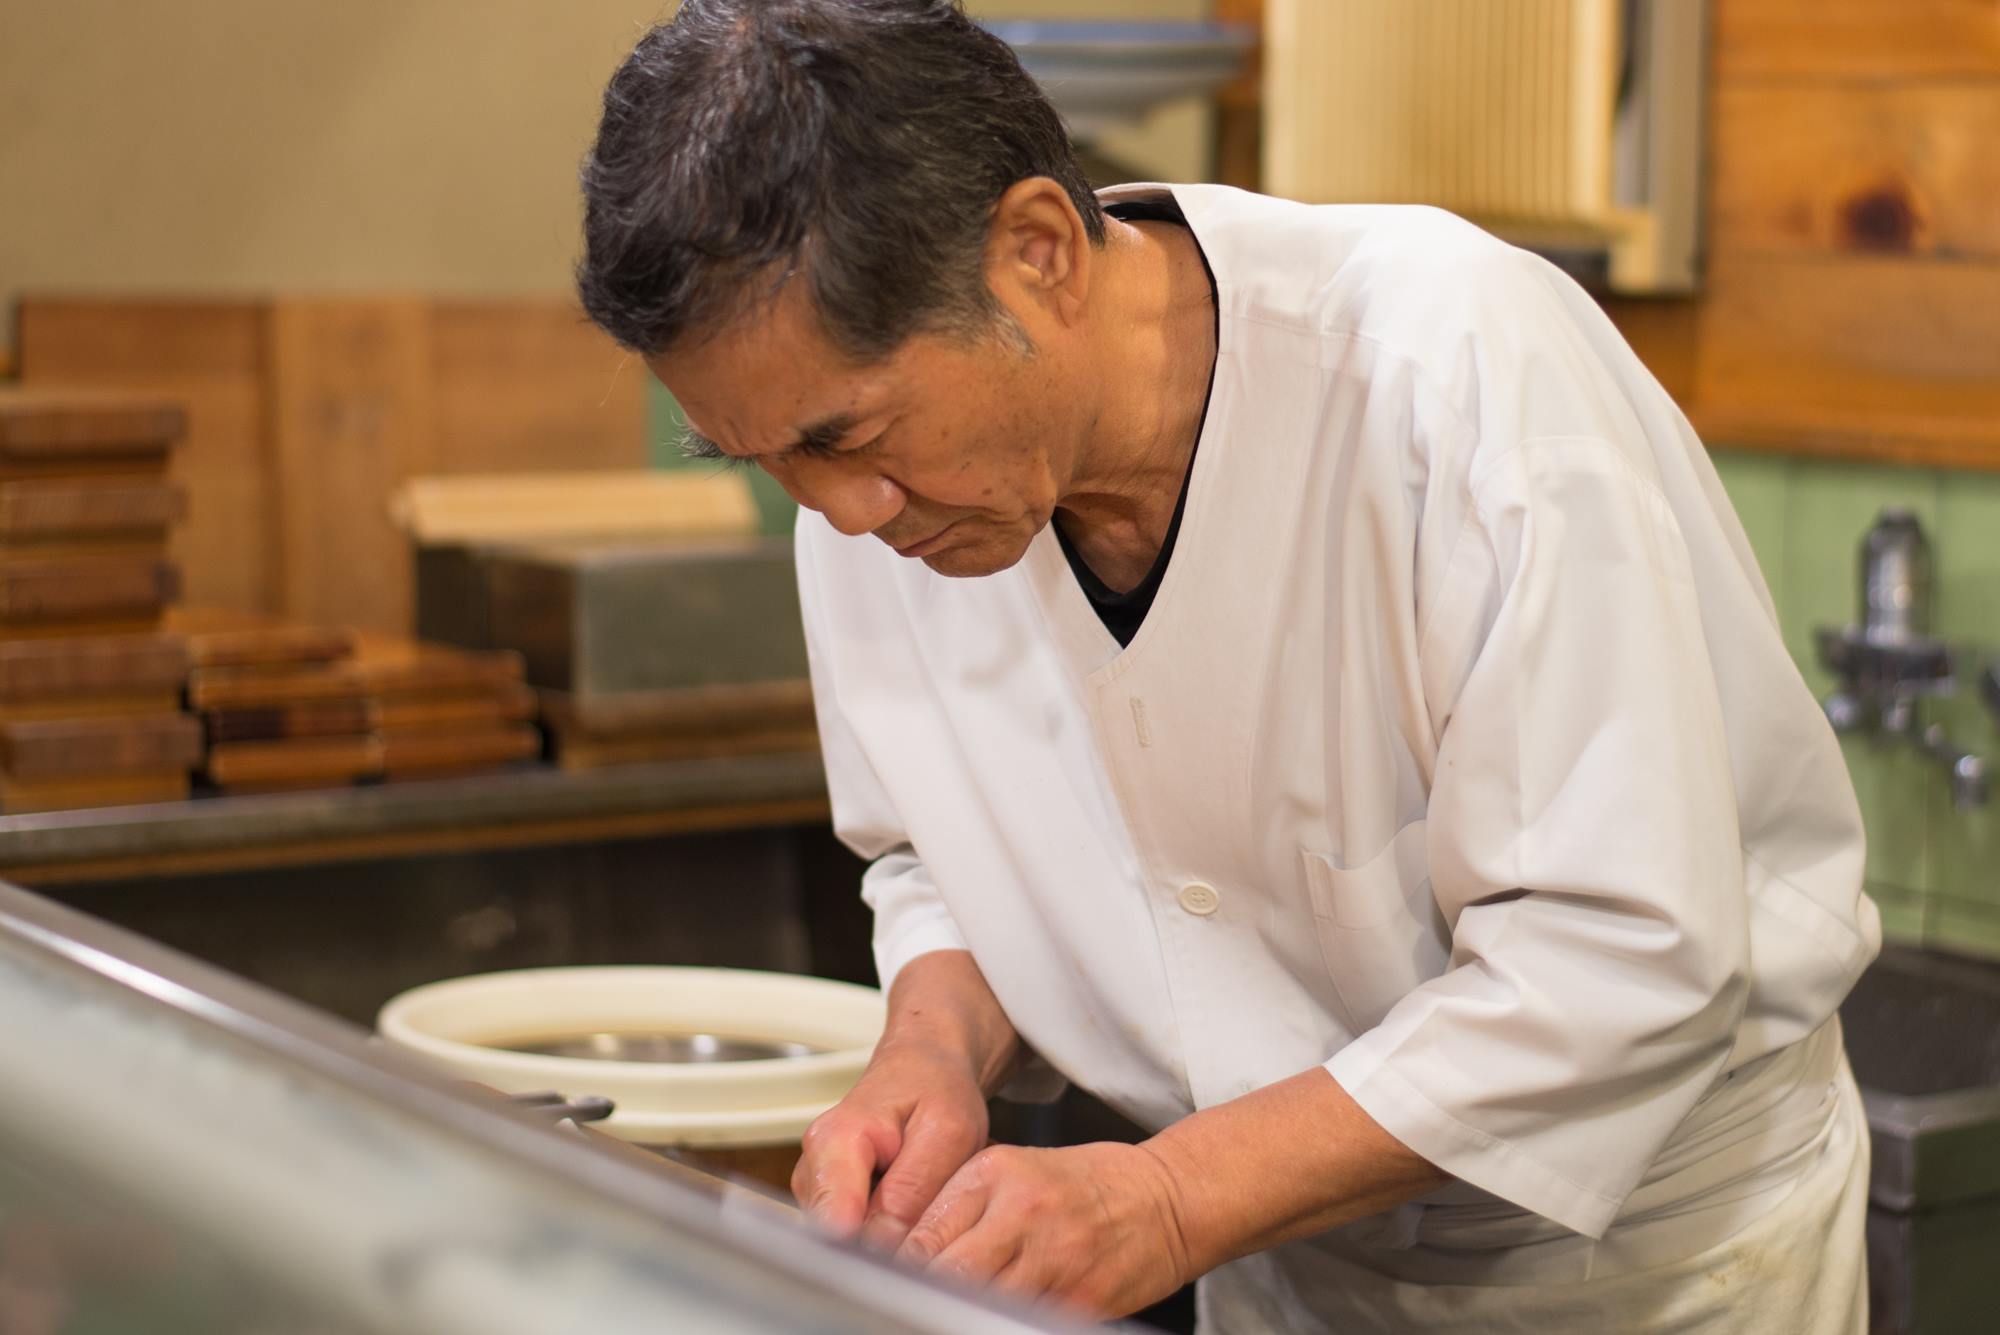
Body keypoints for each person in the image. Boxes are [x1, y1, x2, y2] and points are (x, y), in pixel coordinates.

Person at [576, 3, 1879, 1331]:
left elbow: (1622, 958)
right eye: (769, 461)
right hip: (1284, 1268)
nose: (841, 516)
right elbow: (941, 854)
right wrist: (932, 1048)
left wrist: (1173, 1201)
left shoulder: (1453, 369)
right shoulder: (872, 493)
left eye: (847, 436)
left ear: (1038, 254)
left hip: (1651, 1278)